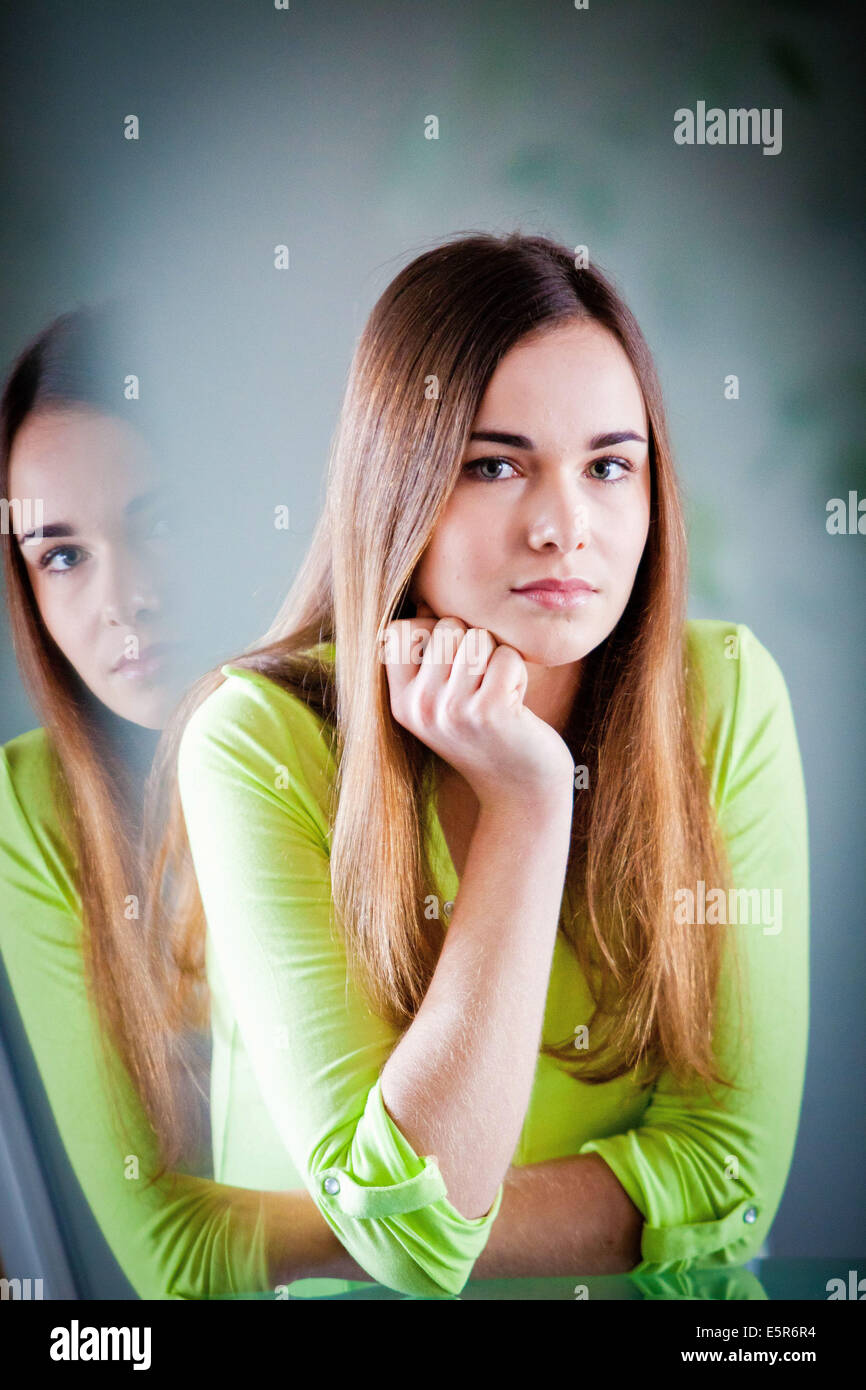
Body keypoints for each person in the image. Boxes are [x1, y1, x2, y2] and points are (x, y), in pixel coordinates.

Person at [146, 231, 809, 1300]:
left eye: (607, 466)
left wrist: (340, 1222)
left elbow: (730, 1179)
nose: (564, 526)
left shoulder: (722, 697)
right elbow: (409, 1253)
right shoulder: (255, 742)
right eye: (494, 464)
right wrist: (530, 800)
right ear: (397, 482)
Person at [0, 307, 370, 1297]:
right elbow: (172, 1256)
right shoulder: (30, 806)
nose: (123, 599)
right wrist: (454, 1218)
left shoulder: (375, 720)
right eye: (62, 555)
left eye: (156, 521)